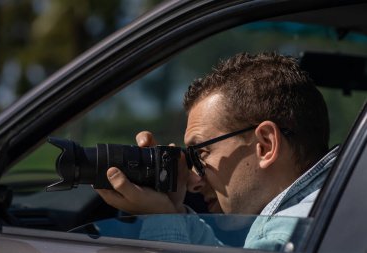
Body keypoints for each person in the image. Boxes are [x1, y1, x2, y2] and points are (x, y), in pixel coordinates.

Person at [96, 52, 338, 250]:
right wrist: (172, 213)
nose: (192, 182)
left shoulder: (293, 235)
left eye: (200, 154)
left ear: (266, 145)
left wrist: (161, 221)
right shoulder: (326, 212)